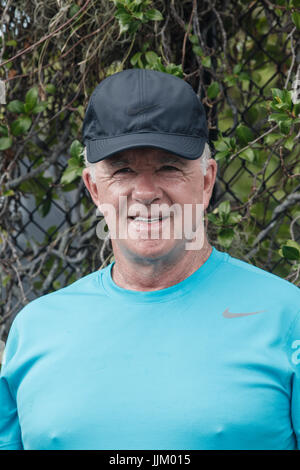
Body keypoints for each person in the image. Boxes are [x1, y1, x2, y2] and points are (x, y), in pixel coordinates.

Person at [0, 69, 299, 451]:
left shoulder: (286, 318)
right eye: (122, 169)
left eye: (168, 167)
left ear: (206, 181)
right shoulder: (35, 330)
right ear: (94, 188)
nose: (145, 192)